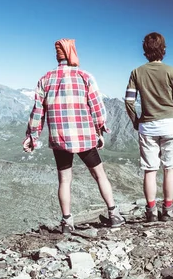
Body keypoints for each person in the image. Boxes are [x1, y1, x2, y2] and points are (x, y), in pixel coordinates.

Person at [23, 38, 125, 232]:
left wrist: (32, 136)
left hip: (59, 138)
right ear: (73, 53)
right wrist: (99, 130)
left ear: (57, 56)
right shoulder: (85, 76)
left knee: (64, 180)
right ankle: (114, 214)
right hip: (85, 137)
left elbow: (38, 112)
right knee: (99, 175)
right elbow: (97, 108)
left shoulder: (45, 79)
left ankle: (67, 222)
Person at [125, 32, 173, 222]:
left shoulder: (137, 72)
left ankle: (151, 211)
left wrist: (136, 120)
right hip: (171, 125)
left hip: (147, 126)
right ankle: (167, 211)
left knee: (150, 170)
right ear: (164, 49)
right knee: (170, 169)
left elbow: (128, 101)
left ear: (145, 50)